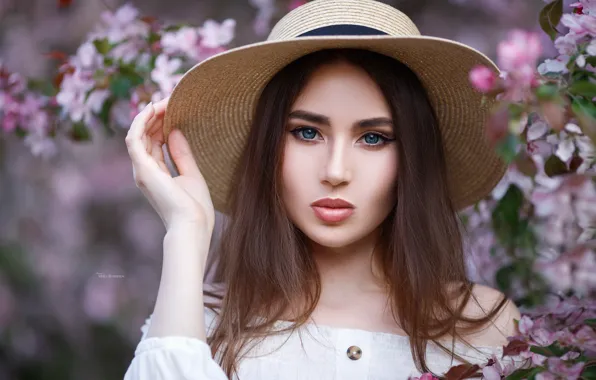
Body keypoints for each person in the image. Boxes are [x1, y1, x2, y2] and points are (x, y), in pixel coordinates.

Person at [123, 0, 523, 379]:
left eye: (373, 138)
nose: (335, 172)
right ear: (269, 147)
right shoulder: (194, 324)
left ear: (412, 156)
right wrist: (186, 231)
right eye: (307, 132)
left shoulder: (486, 326)